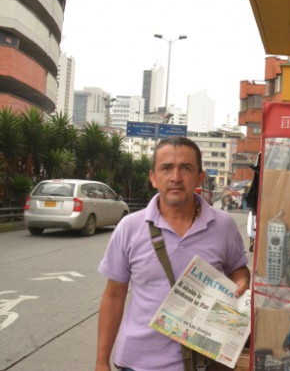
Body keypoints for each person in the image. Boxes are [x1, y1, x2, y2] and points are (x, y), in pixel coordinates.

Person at [96, 136, 251, 371]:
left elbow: (237, 269)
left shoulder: (223, 225)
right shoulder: (129, 227)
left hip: (206, 361)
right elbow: (114, 296)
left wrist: (241, 282)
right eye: (166, 168)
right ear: (153, 177)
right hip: (138, 363)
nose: (176, 177)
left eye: (186, 168)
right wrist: (101, 362)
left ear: (200, 177)